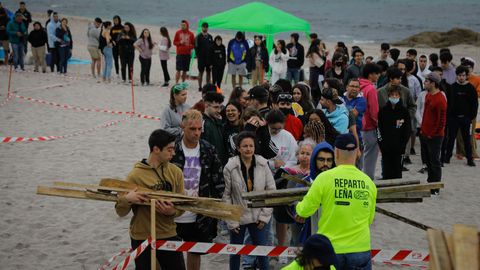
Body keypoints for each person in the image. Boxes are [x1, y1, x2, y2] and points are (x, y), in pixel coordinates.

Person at [296, 133, 377, 270]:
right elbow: (369, 219)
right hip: (360, 248)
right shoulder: (369, 183)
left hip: (331, 249)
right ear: (358, 153)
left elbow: (304, 210)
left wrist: (298, 207)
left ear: (336, 153)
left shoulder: (324, 179)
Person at [115, 129, 186, 270]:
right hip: (142, 235)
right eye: (170, 149)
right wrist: (127, 199)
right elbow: (120, 211)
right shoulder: (135, 175)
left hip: (168, 232)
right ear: (156, 149)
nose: (173, 153)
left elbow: (182, 206)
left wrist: (172, 212)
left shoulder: (176, 172)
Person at [171, 109, 224, 270]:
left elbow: (218, 180)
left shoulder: (208, 149)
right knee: (168, 254)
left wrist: (215, 208)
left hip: (198, 213)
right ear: (183, 127)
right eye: (192, 129)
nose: (196, 133)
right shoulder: (171, 148)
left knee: (194, 253)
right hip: (172, 211)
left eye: (199, 129)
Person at [223, 131, 276, 270]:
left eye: (251, 146)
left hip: (259, 216)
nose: (248, 149)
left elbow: (271, 191)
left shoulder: (263, 164)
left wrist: (265, 216)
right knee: (234, 253)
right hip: (238, 216)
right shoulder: (230, 167)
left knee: (262, 253)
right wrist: (231, 220)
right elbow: (226, 195)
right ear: (239, 148)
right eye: (245, 146)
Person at [445, 66, 478, 166]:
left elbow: (475, 104)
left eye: (463, 75)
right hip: (453, 118)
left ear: (466, 76)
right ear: (457, 76)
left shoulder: (471, 88)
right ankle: (447, 158)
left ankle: (469, 159)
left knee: (467, 139)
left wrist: (470, 117)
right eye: (459, 75)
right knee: (451, 138)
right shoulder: (452, 87)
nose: (461, 77)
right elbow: (448, 103)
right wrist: (449, 116)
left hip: (466, 119)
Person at [420, 73, 447, 195]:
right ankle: (430, 182)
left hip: (435, 136)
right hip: (425, 133)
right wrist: (422, 130)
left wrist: (433, 133)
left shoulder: (440, 98)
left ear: (433, 83)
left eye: (427, 81)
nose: (424, 82)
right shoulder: (428, 96)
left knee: (435, 161)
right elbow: (425, 114)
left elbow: (441, 121)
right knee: (428, 161)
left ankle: (435, 187)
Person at [377, 86, 411, 179]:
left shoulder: (404, 111)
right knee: (386, 169)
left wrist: (403, 143)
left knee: (397, 170)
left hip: (399, 147)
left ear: (400, 96)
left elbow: (407, 129)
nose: (394, 97)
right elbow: (379, 129)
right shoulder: (383, 111)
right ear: (388, 96)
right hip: (385, 146)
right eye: (392, 95)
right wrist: (381, 143)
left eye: (396, 95)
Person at [359, 63, 381, 180]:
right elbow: (374, 111)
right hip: (369, 127)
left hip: (357, 125)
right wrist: (379, 124)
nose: (378, 76)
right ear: (370, 74)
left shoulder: (356, 85)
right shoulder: (371, 89)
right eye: (376, 74)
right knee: (370, 156)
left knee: (360, 155)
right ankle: (367, 180)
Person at [201, 92, 228, 164]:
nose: (219, 110)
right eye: (216, 107)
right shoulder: (203, 124)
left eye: (220, 107)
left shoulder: (218, 121)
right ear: (206, 105)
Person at [343, 78, 366, 148]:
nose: (354, 89)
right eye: (352, 86)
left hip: (356, 137)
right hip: (342, 135)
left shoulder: (362, 101)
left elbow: (352, 115)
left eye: (357, 87)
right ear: (347, 87)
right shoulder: (341, 98)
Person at [306, 39, 326, 105]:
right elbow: (320, 64)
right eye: (321, 44)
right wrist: (324, 55)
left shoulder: (316, 53)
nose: (322, 45)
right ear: (317, 45)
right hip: (316, 74)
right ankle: (316, 104)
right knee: (317, 90)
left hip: (317, 73)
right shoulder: (313, 54)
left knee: (317, 90)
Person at [195, 22, 213, 91]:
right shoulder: (198, 36)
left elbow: (212, 47)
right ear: (202, 27)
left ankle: (207, 86)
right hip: (201, 58)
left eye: (206, 27)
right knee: (201, 72)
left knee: (208, 72)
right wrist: (198, 56)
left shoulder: (210, 37)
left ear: (207, 28)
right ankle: (200, 87)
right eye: (204, 27)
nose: (205, 28)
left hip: (208, 58)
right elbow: (196, 47)